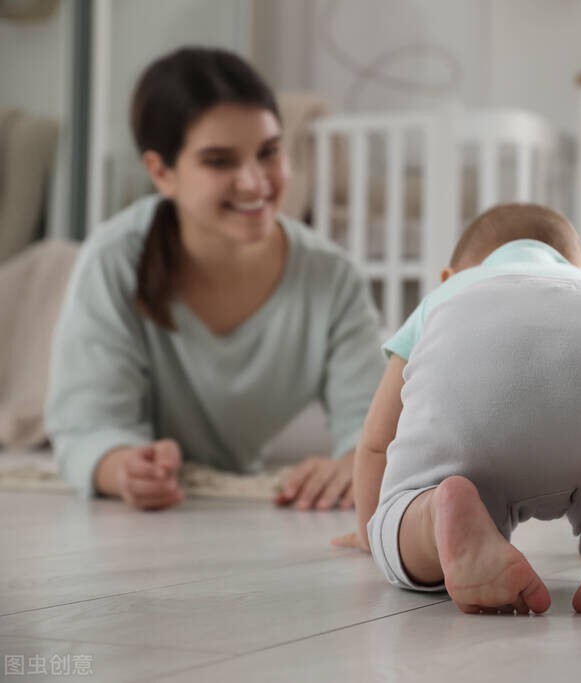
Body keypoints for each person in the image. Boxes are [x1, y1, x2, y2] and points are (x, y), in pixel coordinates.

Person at [334, 204, 581, 615]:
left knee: (406, 515)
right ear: (578, 270)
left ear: (450, 276)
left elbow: (377, 442)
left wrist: (372, 531)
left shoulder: (446, 295)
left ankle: (435, 517)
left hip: (475, 417)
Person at [45, 48, 385, 511]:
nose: (253, 182)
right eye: (219, 161)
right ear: (161, 172)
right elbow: (87, 427)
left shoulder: (333, 278)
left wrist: (353, 462)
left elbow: (374, 428)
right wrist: (123, 466)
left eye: (268, 152)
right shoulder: (112, 260)